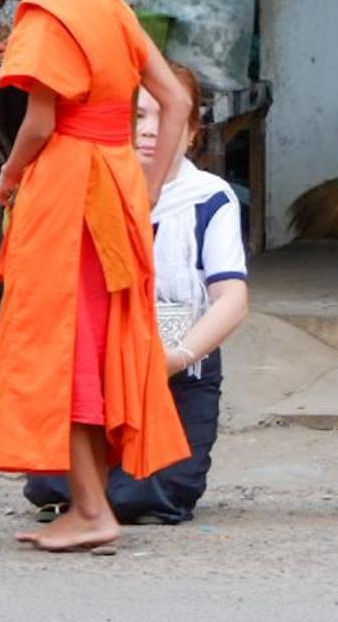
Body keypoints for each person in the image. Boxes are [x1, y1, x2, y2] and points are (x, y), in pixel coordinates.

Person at [0, 0, 193, 552]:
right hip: (114, 184)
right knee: (96, 341)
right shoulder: (111, 5)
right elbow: (177, 102)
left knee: (63, 344)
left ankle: (91, 508)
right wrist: (154, 183)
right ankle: (89, 502)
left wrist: (10, 172)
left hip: (67, 189)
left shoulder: (49, 12)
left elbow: (41, 123)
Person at [24, 63, 249, 524]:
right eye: (137, 116)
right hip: (102, 375)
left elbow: (232, 299)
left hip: (178, 374)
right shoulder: (91, 187)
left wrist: (175, 358)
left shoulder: (210, 197)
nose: (148, 131)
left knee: (148, 494)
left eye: (164, 117)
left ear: (190, 132)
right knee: (49, 485)